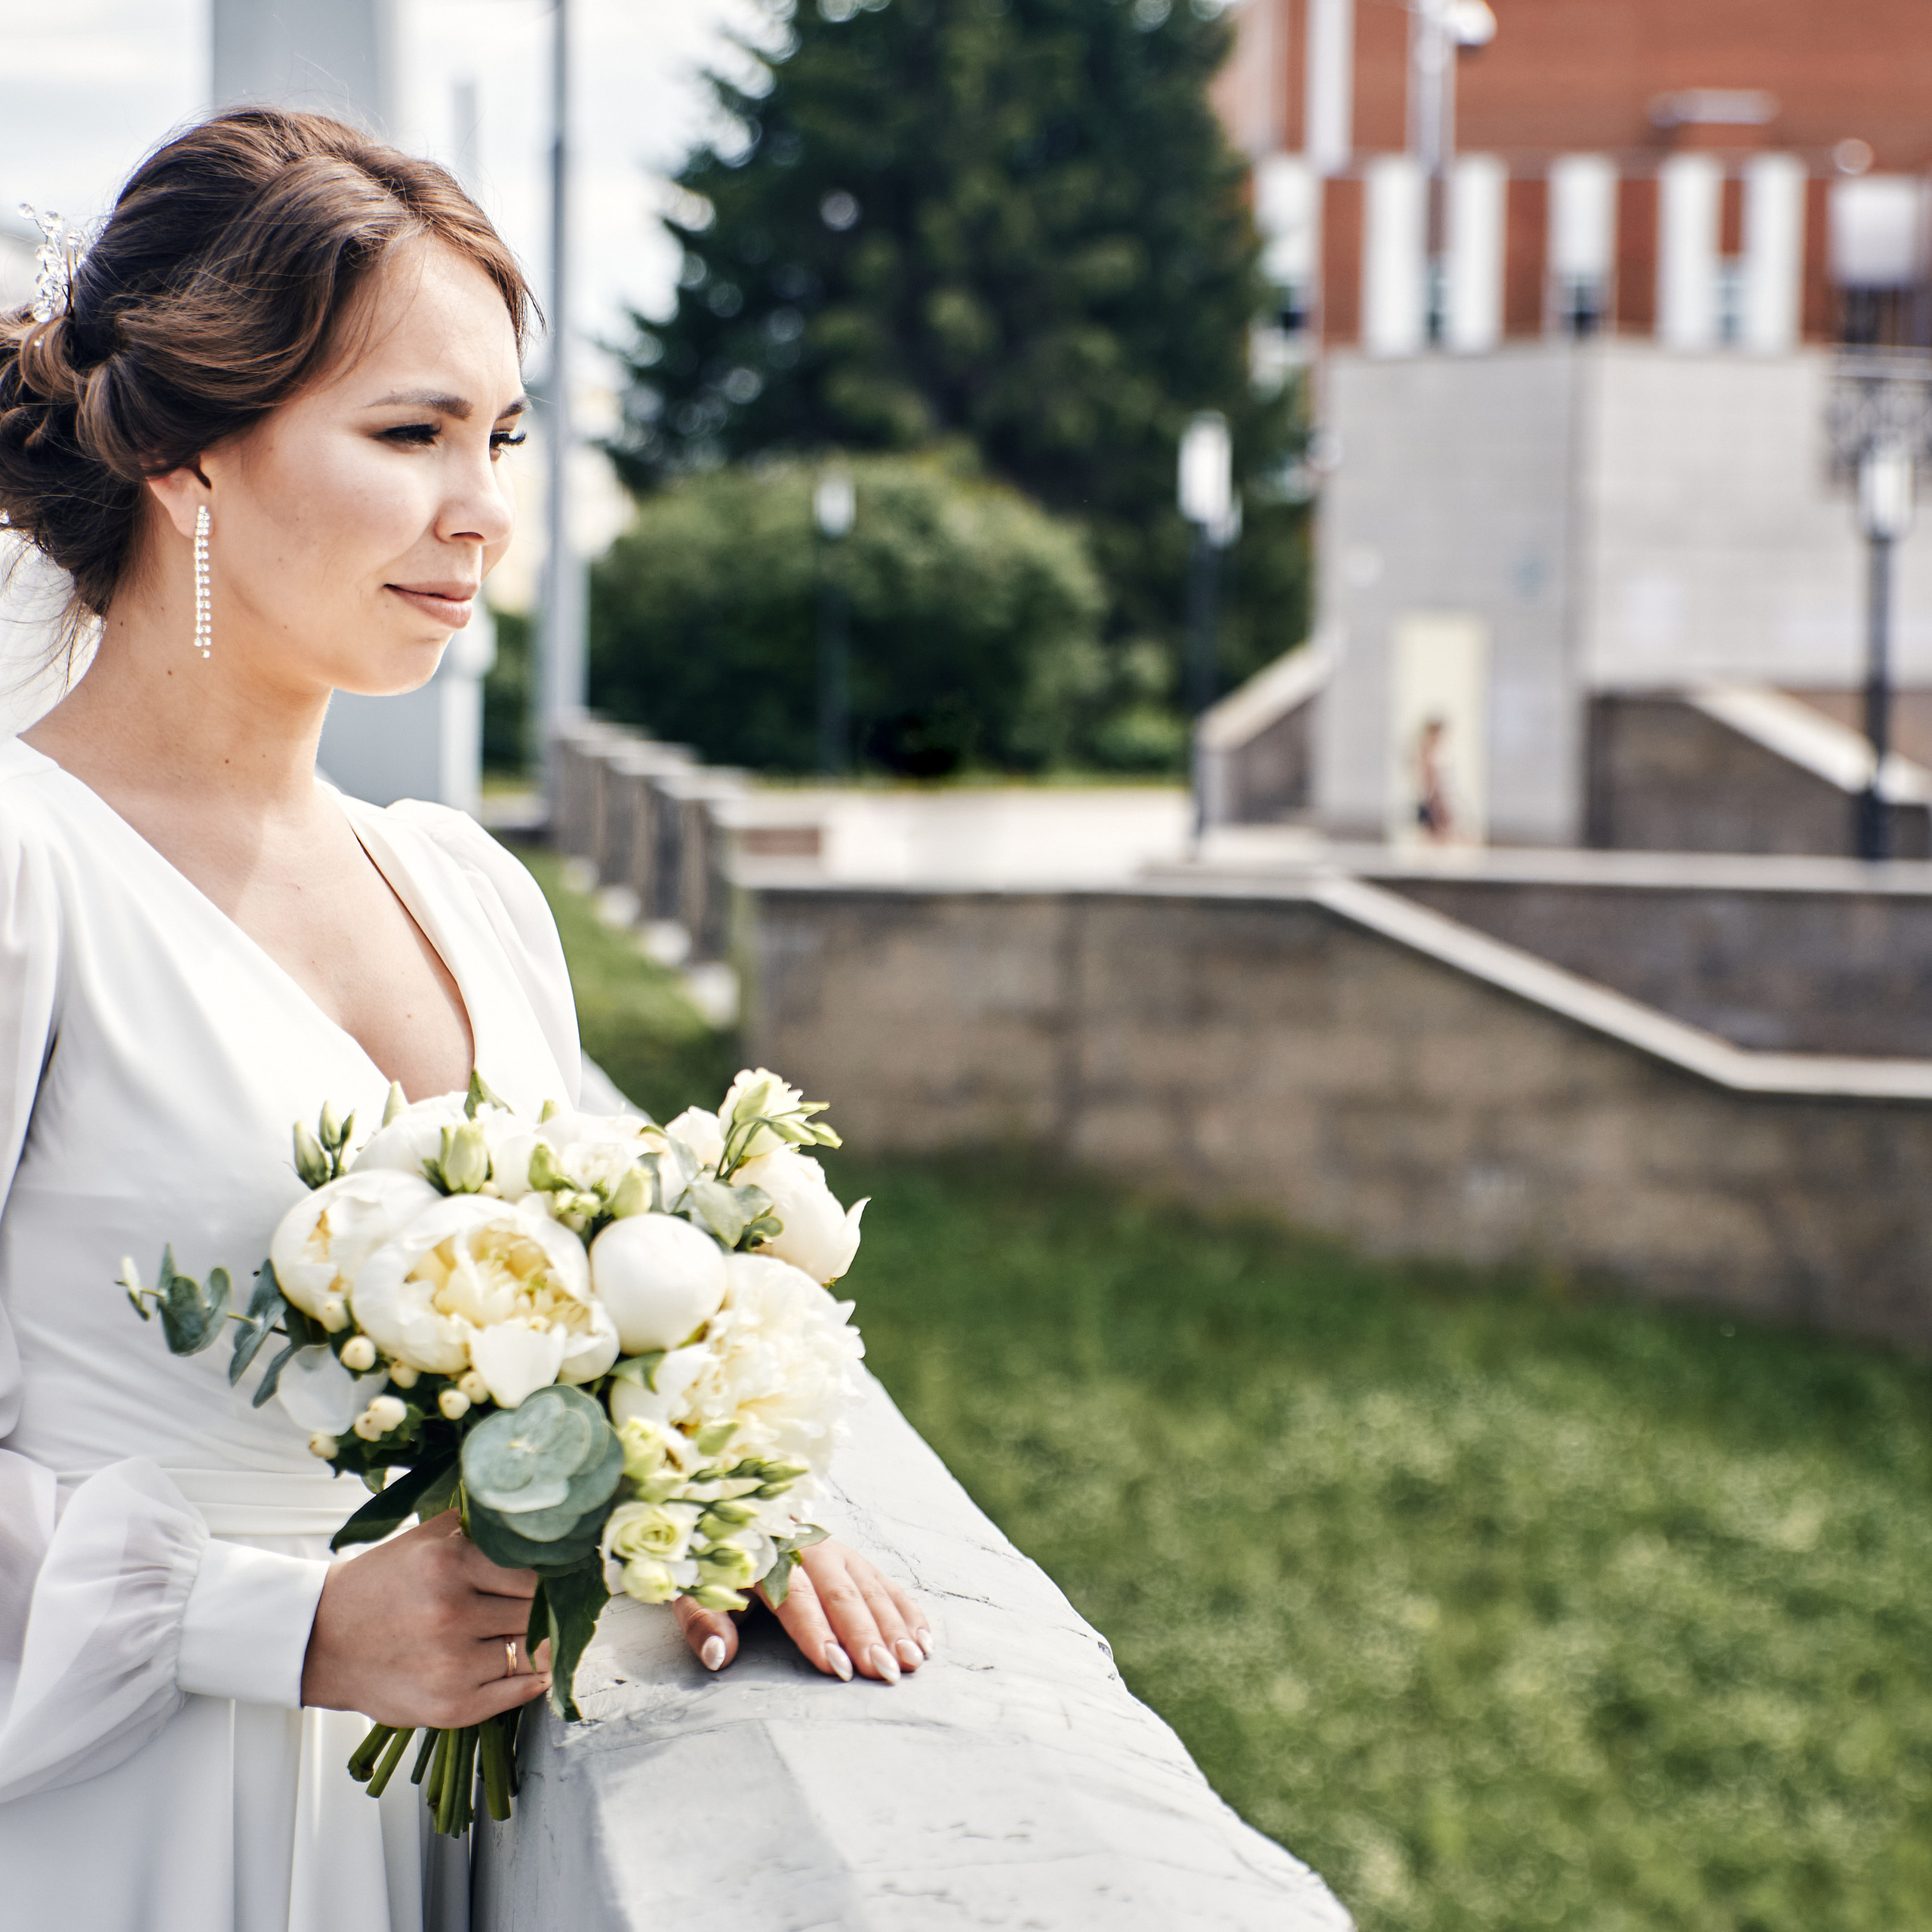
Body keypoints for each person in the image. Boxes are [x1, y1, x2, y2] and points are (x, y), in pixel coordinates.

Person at [0, 109, 927, 1931]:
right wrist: (284, 1619)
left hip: (428, 1844)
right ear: (186, 456)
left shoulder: (473, 895)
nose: (485, 509)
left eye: (499, 436)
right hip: (120, 1835)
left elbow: (549, 1372)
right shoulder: (27, 870)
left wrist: (699, 1487)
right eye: (410, 432)